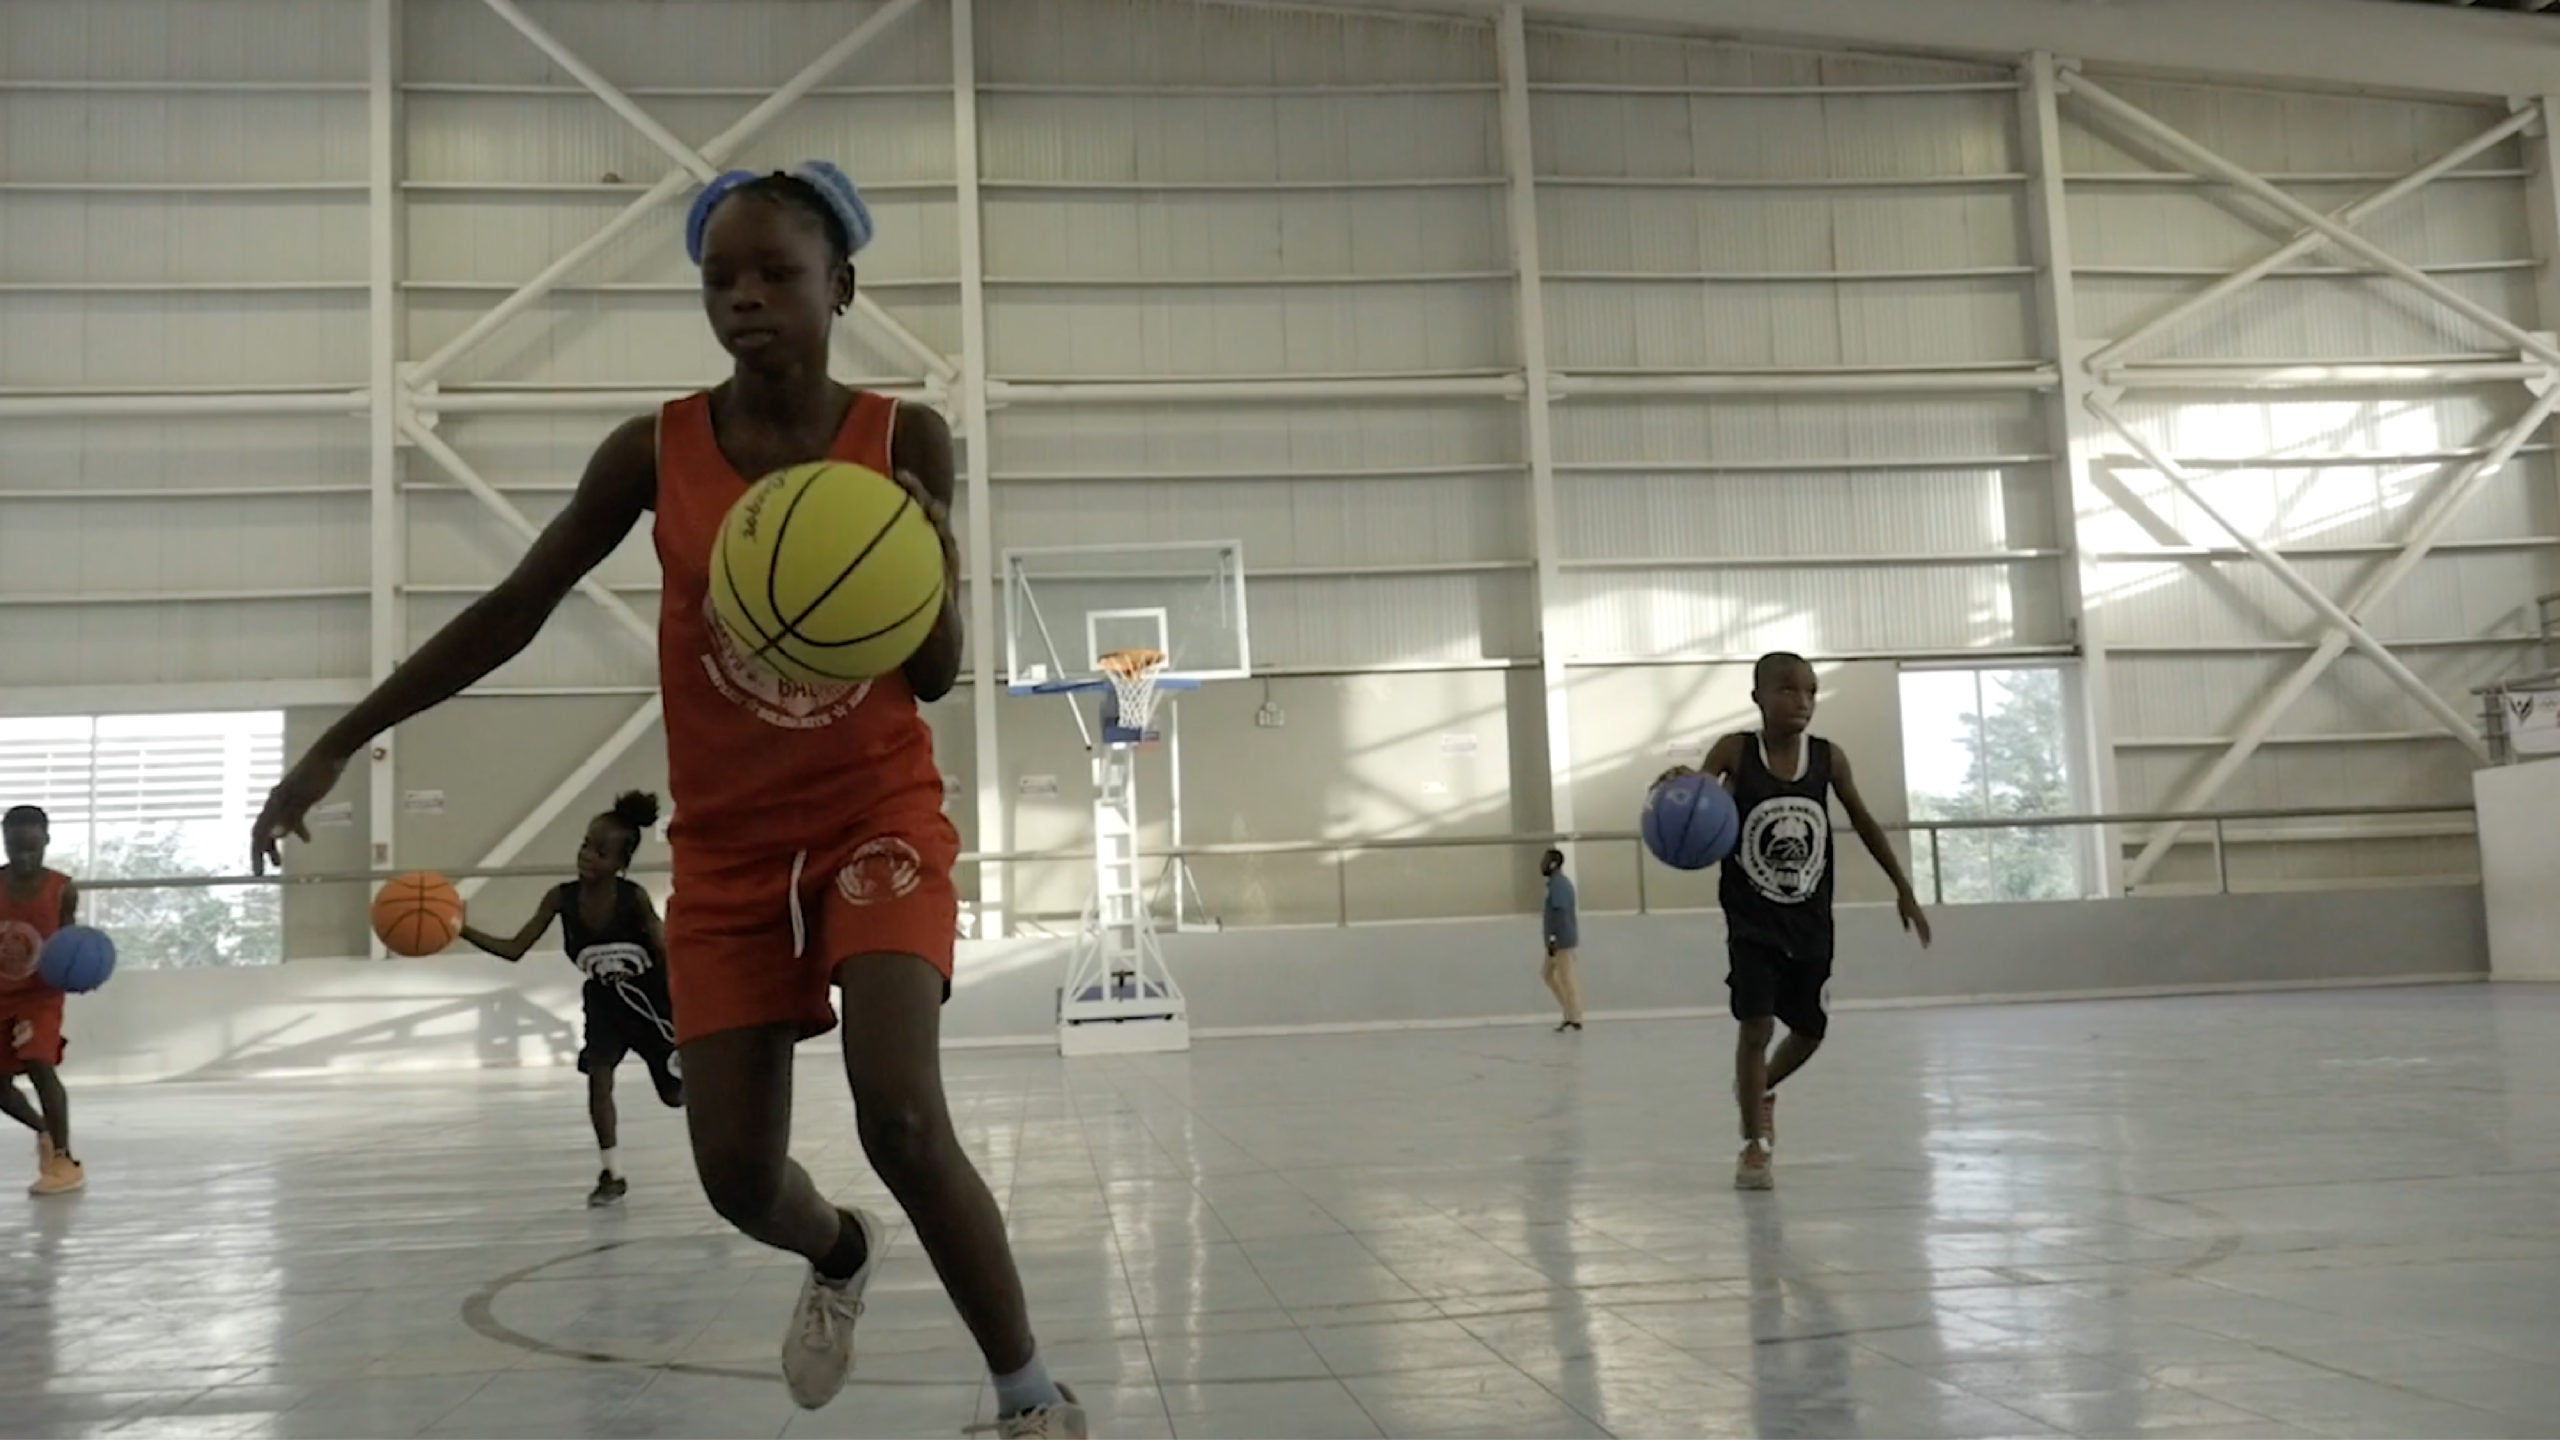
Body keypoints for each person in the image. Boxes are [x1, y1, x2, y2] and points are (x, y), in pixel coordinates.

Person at [251, 161, 1082, 1437]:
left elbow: (932, 671)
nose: (745, 298)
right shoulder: (654, 448)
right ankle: (838, 1253)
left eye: (775, 274)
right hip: (731, 852)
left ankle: (1030, 1400)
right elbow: (515, 608)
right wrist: (339, 743)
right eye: (720, 279)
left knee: (903, 1115)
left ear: (839, 287)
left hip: (875, 820)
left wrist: (941, 571)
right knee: (739, 1180)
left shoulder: (903, 437)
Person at [1690, 652, 1930, 1191]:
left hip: (1810, 921)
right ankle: (1754, 1145)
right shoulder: (1735, 751)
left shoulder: (1828, 758)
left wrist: (1903, 886)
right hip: (1751, 919)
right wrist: (1681, 790)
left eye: (1810, 692)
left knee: (1810, 1030)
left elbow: (1863, 821)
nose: (1800, 701)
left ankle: (1758, 1089)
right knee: (1756, 1026)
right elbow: (1697, 802)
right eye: (1787, 690)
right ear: (1758, 697)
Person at [459, 791, 683, 1209]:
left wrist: (686, 1004)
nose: (587, 856)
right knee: (599, 1079)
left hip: (651, 1004)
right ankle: (612, 1173)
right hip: (603, 1004)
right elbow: (514, 948)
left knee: (676, 1097)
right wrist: (460, 929)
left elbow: (666, 950)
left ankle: (725, 1107)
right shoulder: (560, 898)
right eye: (584, 845)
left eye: (600, 851)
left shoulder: (632, 899)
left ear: (619, 864)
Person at [0, 805, 83, 1196]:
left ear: (46, 841)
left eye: (32, 849)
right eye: (16, 848)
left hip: (40, 993)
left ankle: (65, 1160)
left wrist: (80, 972)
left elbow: (70, 946)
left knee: (38, 1061)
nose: (23, 857)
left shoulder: (62, 889)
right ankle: (45, 1131)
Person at [1539, 848, 1584, 1032]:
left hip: (1561, 941)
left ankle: (1575, 1017)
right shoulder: (1554, 884)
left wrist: (1553, 939)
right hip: (1557, 940)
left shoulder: (1559, 885)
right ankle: (1569, 1011)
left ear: (1553, 864)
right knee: (1547, 974)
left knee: (1566, 978)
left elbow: (1560, 914)